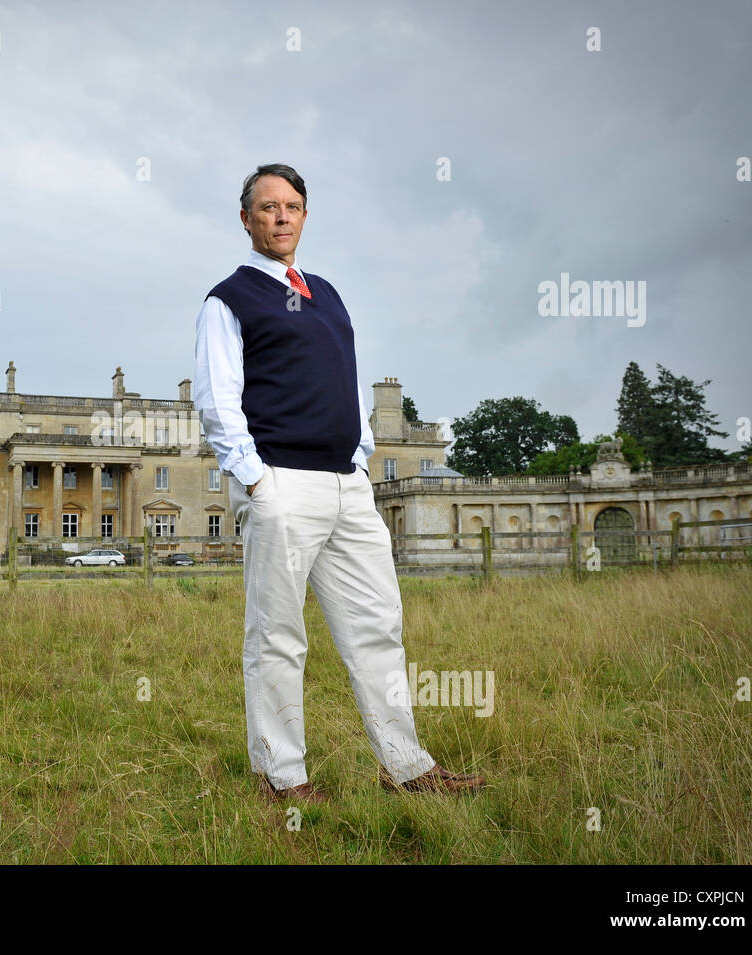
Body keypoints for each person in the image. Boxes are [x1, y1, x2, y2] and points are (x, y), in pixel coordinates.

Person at [192, 163, 487, 803]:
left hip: (347, 487)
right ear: (246, 219)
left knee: (377, 626)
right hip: (282, 484)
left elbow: (347, 379)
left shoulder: (326, 293)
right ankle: (281, 778)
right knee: (278, 636)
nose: (281, 217)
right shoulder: (229, 299)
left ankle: (405, 768)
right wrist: (256, 482)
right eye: (267, 207)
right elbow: (217, 400)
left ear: (304, 215)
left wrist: (360, 456)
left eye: (292, 206)